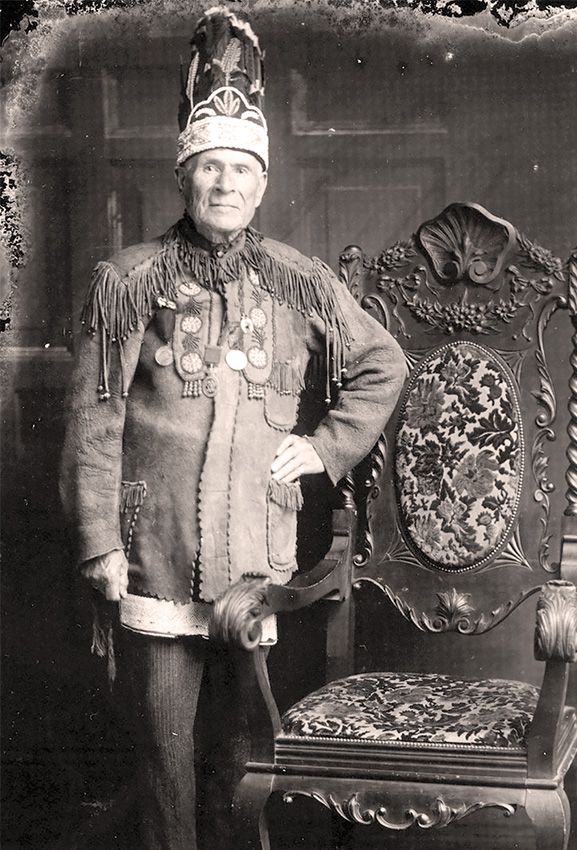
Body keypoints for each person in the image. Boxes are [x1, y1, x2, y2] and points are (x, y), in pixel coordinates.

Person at [60, 8, 407, 850]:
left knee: (239, 749)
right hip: (157, 551)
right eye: (210, 167)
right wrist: (100, 542)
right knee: (162, 753)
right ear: (185, 177)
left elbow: (381, 363)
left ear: (262, 183)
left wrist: (323, 450)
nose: (225, 185)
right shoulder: (127, 281)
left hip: (257, 549)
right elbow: (93, 419)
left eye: (241, 171)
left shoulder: (300, 281)